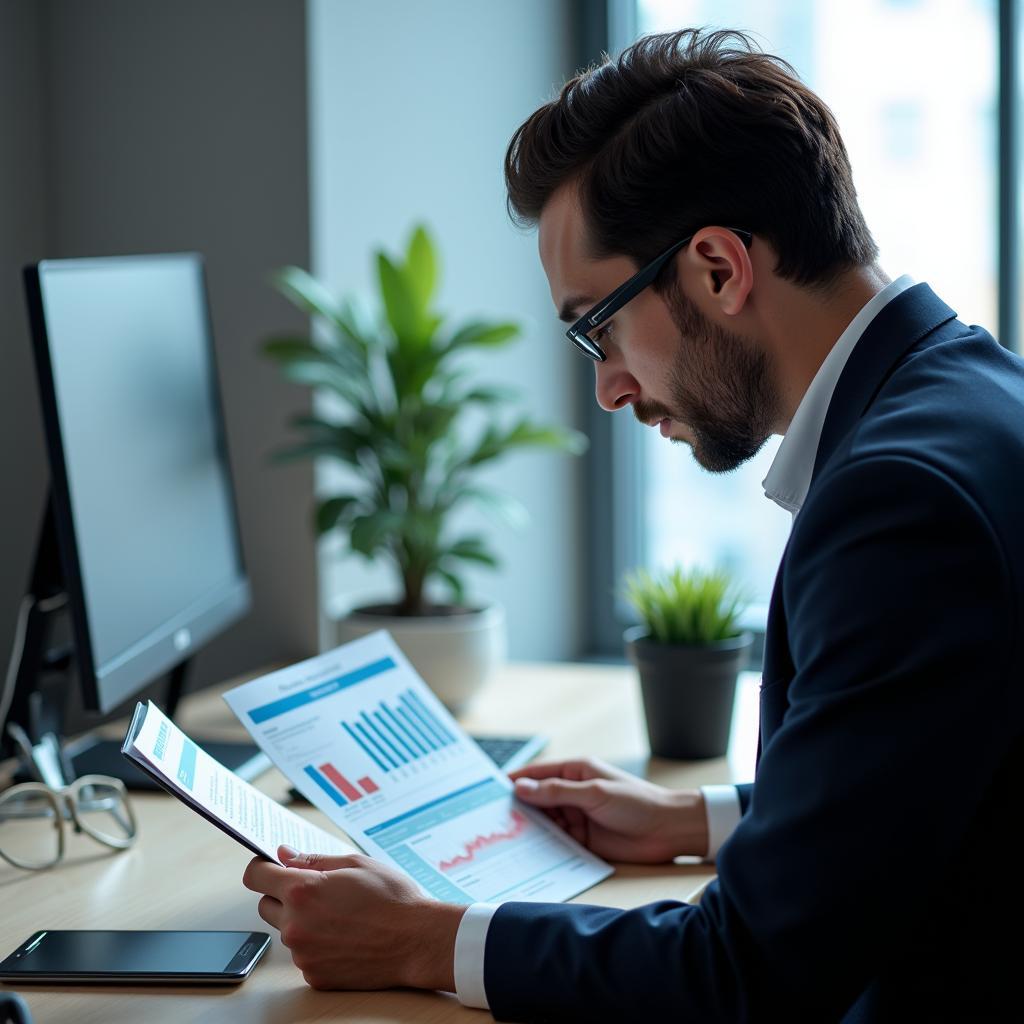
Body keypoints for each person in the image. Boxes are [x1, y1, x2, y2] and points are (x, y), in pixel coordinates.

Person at [242, 29, 1023, 1021]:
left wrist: (420, 938)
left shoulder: (900, 502)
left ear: (714, 268)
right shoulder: (973, 392)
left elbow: (749, 973)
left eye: (595, 326)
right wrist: (698, 818)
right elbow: (948, 771)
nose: (609, 386)